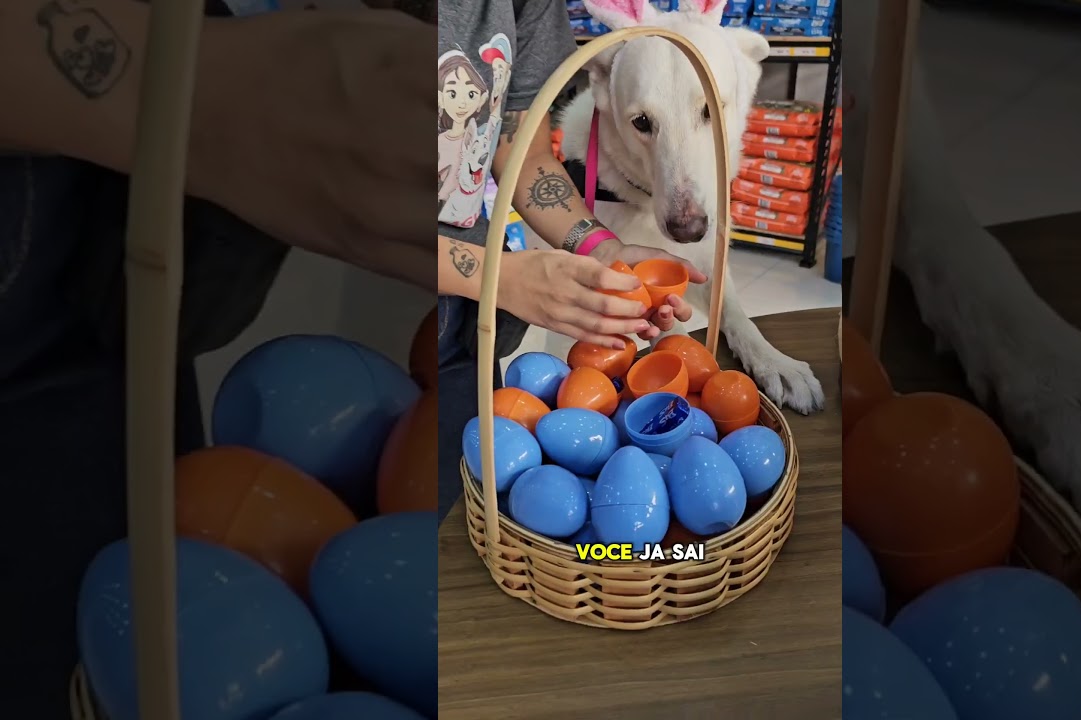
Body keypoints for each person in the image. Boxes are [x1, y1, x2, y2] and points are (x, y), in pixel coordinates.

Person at [0, 0, 693, 713]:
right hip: (62, 270)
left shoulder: (526, 7)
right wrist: (207, 95)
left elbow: (525, 150)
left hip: (158, 300)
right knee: (77, 617)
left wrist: (597, 247)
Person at [434, 0, 707, 520]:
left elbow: (524, 154)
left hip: (466, 320)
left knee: (471, 501)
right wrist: (500, 277)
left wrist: (604, 249)